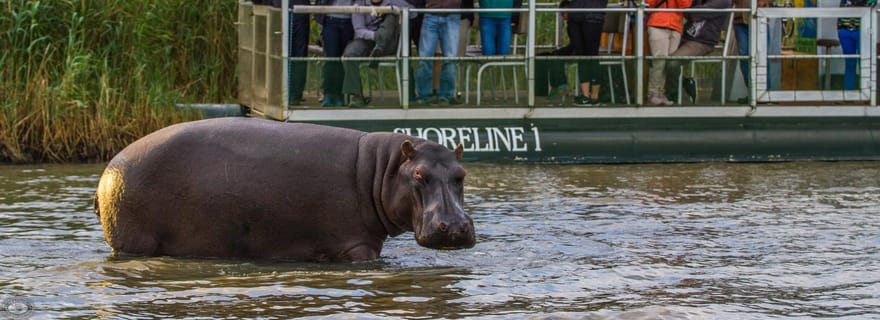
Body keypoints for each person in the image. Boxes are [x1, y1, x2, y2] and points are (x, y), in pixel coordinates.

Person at [342, 0, 414, 107]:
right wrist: (376, 36)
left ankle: (378, 49)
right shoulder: (359, 4)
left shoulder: (392, 1)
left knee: (391, 15)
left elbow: (413, 13)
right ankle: (356, 95)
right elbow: (359, 30)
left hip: (388, 42)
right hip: (366, 39)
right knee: (349, 55)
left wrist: (392, 8)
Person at [664, 0, 732, 103]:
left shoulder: (723, 1)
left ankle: (673, 96)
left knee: (673, 63)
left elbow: (695, 12)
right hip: (685, 35)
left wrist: (690, 12)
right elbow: (686, 10)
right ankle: (685, 82)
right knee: (657, 58)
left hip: (702, 41)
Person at [416, 0, 463, 105]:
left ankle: (446, 95)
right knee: (424, 59)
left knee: (450, 59)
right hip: (430, 14)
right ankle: (424, 96)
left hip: (452, 15)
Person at [646, 0, 692, 105]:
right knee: (659, 61)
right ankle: (653, 93)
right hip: (657, 24)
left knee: (670, 63)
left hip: (675, 26)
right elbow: (649, 4)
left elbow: (685, 5)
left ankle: (661, 93)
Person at [569, 0, 608, 106]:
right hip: (575, 16)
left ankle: (595, 96)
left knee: (592, 55)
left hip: (593, 17)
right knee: (581, 55)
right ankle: (585, 95)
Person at [318, 0, 355, 107]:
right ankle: (328, 93)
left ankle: (340, 94)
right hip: (330, 20)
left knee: (343, 59)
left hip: (350, 21)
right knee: (331, 57)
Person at [535, 0, 573, 105]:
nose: (563, 16)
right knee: (543, 56)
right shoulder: (570, 24)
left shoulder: (575, 23)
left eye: (565, 13)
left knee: (556, 56)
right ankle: (541, 91)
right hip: (573, 47)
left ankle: (560, 87)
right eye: (562, 13)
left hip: (579, 49)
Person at [838, 0, 876, 90]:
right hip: (845, 30)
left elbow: (873, 4)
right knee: (849, 63)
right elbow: (841, 9)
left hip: (862, 30)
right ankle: (849, 93)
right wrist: (840, 28)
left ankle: (864, 93)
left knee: (864, 61)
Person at [290, 0, 311, 106]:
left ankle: (295, 94)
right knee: (276, 52)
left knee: (299, 54)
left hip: (299, 11)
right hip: (275, 12)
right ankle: (281, 92)